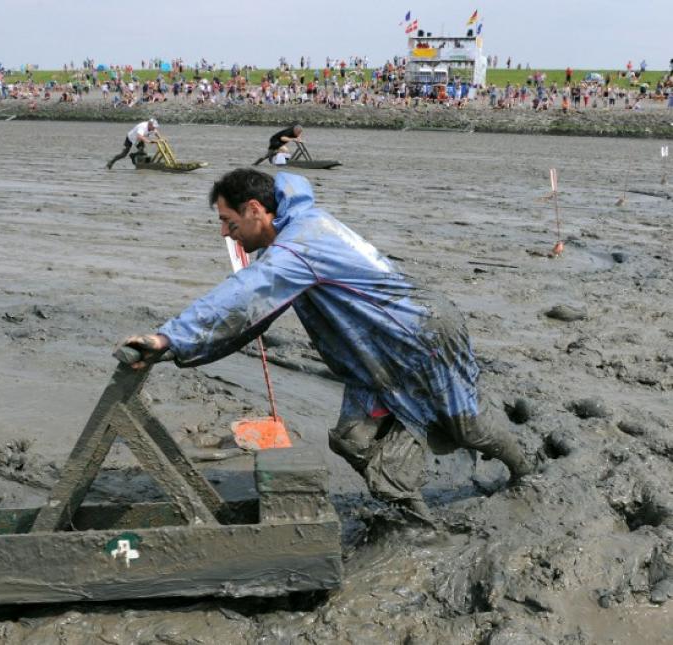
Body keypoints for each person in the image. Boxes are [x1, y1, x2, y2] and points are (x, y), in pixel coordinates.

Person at [121, 169, 534, 529]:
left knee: (466, 425)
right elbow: (254, 318)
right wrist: (180, 349)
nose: (225, 234)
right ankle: (416, 521)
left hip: (419, 336)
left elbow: (242, 295)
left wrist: (169, 337)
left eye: (228, 222)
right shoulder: (292, 239)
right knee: (353, 439)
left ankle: (526, 471)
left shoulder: (300, 242)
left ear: (254, 209)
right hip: (373, 351)